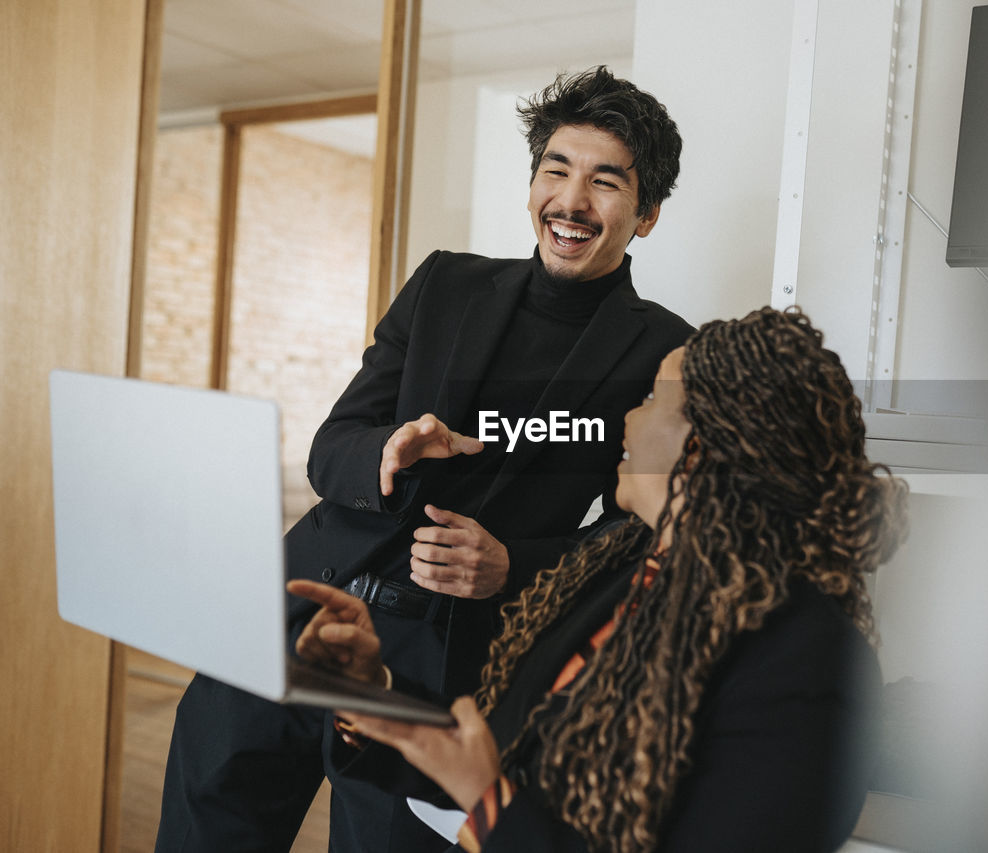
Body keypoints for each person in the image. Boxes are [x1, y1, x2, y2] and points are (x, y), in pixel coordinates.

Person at [157, 67, 693, 852]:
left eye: (605, 182)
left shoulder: (665, 350)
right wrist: (386, 452)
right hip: (303, 600)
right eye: (556, 169)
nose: (572, 202)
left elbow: (642, 533)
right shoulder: (444, 282)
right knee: (209, 817)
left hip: (446, 659)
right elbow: (331, 446)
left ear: (645, 214)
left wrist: (513, 562)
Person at [290, 307, 910, 853]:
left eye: (650, 402)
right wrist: (370, 694)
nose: (627, 422)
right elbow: (497, 757)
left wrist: (490, 802)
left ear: (709, 447)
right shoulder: (617, 571)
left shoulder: (810, 664)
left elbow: (493, 793)